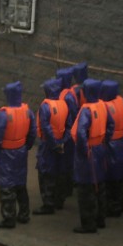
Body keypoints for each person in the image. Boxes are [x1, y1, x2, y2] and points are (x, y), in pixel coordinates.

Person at [0, 81, 37, 229]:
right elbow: (33, 132)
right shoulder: (28, 111)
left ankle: (9, 218)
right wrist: (26, 146)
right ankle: (24, 214)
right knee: (20, 183)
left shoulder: (4, 115)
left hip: (7, 153)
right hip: (21, 151)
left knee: (6, 184)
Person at [70, 78, 113, 233]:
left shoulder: (86, 110)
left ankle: (88, 224)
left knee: (86, 189)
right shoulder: (103, 105)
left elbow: (81, 133)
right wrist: (104, 140)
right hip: (100, 149)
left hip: (89, 152)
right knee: (100, 186)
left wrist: (83, 150)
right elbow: (111, 125)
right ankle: (100, 219)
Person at [33, 77, 70, 215]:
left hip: (48, 145)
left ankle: (48, 204)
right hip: (61, 144)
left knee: (45, 173)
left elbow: (46, 128)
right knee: (59, 172)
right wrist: (62, 143)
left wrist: (54, 144)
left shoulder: (45, 106)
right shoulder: (64, 104)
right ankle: (59, 201)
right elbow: (69, 126)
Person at [100, 79, 123, 217]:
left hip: (110, 144)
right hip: (122, 143)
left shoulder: (105, 107)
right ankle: (120, 204)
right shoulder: (121, 101)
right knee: (119, 177)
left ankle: (112, 207)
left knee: (109, 178)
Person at [55, 67, 80, 205]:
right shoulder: (69, 93)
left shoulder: (67, 96)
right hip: (68, 132)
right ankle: (67, 188)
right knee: (67, 162)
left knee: (65, 163)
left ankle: (64, 192)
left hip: (67, 134)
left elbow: (70, 115)